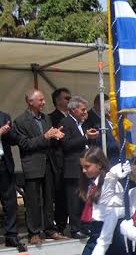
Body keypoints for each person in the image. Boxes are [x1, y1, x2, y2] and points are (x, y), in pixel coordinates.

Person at [14, 89, 68, 245]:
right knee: (33, 200)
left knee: (49, 198)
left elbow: (49, 140)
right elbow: (26, 144)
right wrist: (45, 137)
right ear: (30, 102)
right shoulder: (20, 121)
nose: (44, 103)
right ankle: (34, 231)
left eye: (44, 100)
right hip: (32, 164)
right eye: (40, 100)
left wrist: (56, 136)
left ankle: (50, 229)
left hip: (48, 163)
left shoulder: (46, 119)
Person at [60, 96, 99, 238]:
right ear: (73, 109)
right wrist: (86, 138)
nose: (84, 112)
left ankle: (85, 225)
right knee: (74, 200)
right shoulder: (66, 122)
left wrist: (91, 137)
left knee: (84, 197)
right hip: (73, 167)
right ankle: (75, 228)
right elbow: (66, 144)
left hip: (85, 167)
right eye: (82, 109)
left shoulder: (82, 123)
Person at [0, 111, 27, 251]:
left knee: (10, 201)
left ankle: (11, 235)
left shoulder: (4, 116)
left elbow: (14, 140)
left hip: (4, 164)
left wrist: (8, 132)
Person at [49, 87, 72, 235]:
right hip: (60, 160)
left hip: (73, 160)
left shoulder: (73, 118)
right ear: (58, 101)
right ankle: (61, 224)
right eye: (66, 98)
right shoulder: (51, 118)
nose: (69, 100)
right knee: (61, 194)